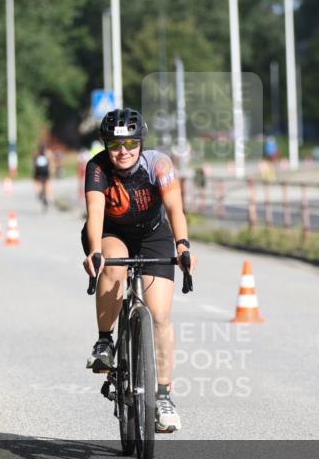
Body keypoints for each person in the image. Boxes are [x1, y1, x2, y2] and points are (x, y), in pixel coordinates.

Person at [81, 108, 197, 433]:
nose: (123, 151)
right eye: (115, 144)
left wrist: (183, 246)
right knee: (113, 268)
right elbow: (95, 213)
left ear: (141, 142)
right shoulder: (97, 168)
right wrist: (94, 251)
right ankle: (105, 341)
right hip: (111, 232)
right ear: (105, 145)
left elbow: (175, 207)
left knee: (160, 315)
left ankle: (163, 396)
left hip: (153, 234)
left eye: (130, 143)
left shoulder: (158, 164)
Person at [33, 144, 53, 210]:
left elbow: (34, 164)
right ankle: (49, 197)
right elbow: (50, 164)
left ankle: (39, 192)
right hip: (45, 171)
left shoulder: (36, 154)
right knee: (47, 182)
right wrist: (51, 171)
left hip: (39, 171)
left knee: (38, 180)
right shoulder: (48, 154)